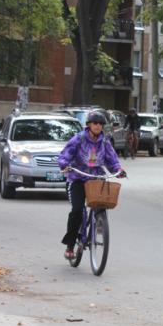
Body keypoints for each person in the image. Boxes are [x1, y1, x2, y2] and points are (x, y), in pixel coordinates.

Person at [58, 111, 126, 260]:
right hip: (76, 179)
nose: (98, 126)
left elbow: (112, 160)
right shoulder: (79, 139)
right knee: (77, 210)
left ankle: (99, 224)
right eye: (95, 123)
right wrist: (64, 164)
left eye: (101, 124)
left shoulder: (104, 142)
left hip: (95, 179)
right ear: (89, 125)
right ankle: (70, 245)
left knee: (101, 205)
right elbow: (65, 154)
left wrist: (118, 170)